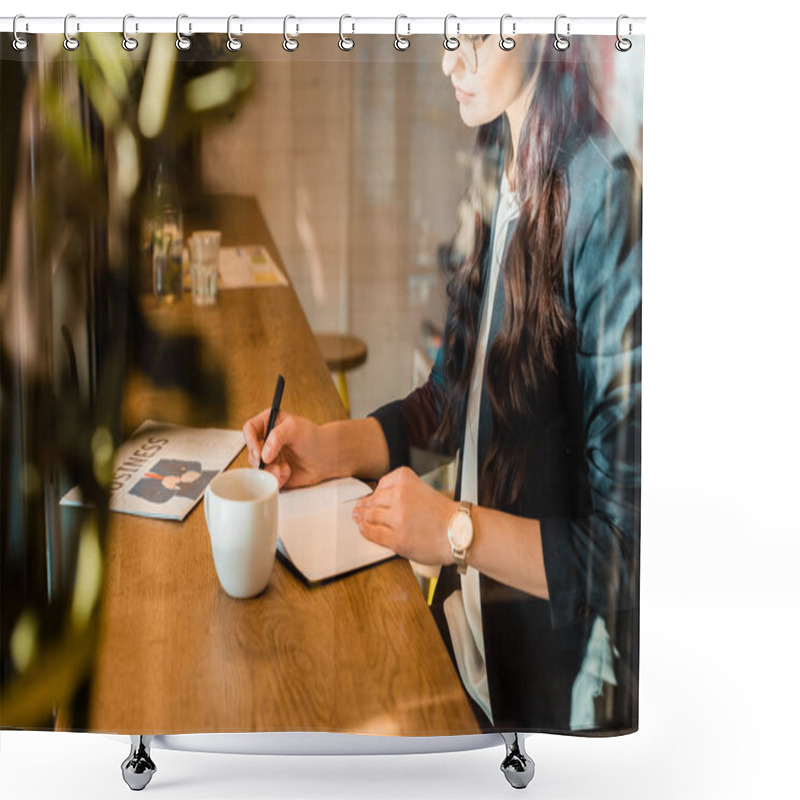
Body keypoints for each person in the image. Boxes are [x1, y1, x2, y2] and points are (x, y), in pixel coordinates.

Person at [244, 34, 641, 734]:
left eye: (475, 37)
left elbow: (623, 555)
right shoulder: (499, 154)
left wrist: (456, 530)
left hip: (554, 696)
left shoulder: (605, 201)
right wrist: (331, 450)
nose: (447, 61)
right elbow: (452, 397)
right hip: (469, 640)